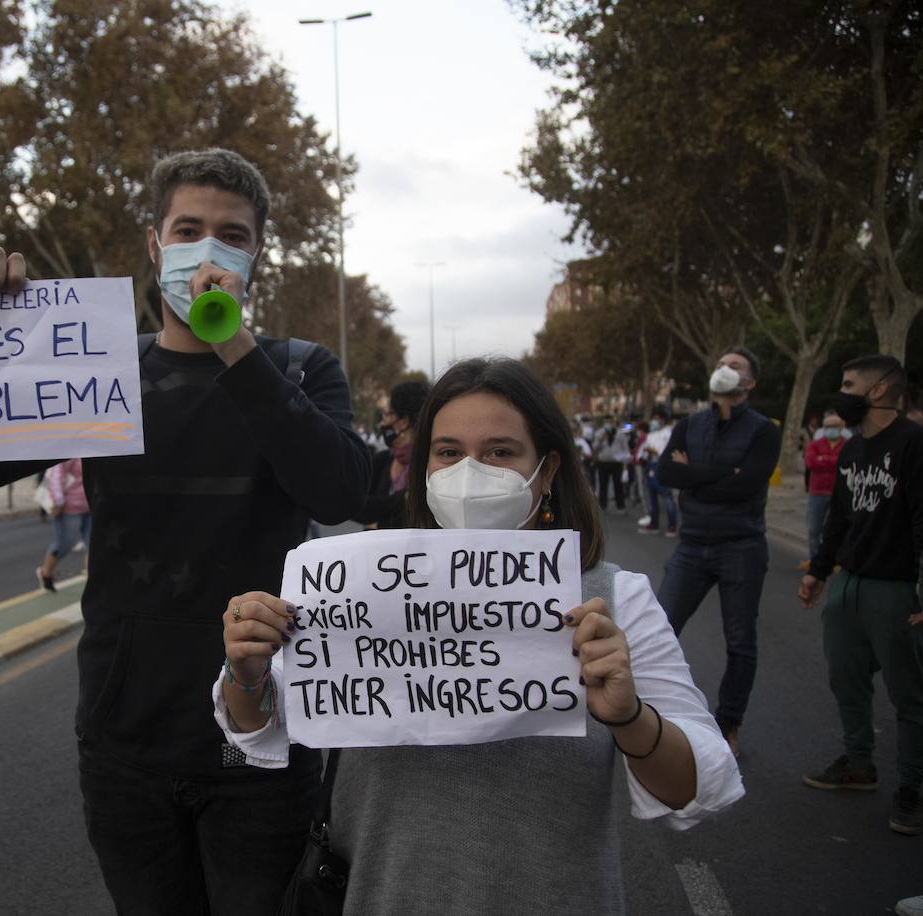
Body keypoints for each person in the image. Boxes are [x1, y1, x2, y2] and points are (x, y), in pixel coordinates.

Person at [0, 148, 371, 914]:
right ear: (155, 246)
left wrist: (235, 349)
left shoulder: (298, 371)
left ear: (257, 255)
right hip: (126, 740)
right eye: (187, 229)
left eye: (231, 234)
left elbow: (341, 487)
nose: (206, 249)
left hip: (258, 738)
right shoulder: (98, 373)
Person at [215, 357, 744, 913]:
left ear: (546, 469)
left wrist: (629, 716)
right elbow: (256, 726)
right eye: (448, 452)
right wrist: (245, 670)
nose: (469, 472)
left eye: (499, 452)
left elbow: (699, 787)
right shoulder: (357, 584)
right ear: (425, 470)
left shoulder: (614, 600)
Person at [799, 355, 923, 837]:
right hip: (848, 585)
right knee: (845, 677)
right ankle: (858, 762)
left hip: (894, 590)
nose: (841, 393)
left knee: (909, 694)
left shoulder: (913, 445)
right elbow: (840, 521)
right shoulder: (850, 451)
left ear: (878, 392)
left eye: (849, 385)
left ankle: (912, 788)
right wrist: (820, 572)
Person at [653, 348, 779, 758]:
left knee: (740, 642)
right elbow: (664, 474)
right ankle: (652, 717)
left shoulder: (763, 431)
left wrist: (693, 477)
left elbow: (748, 486)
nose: (725, 370)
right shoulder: (691, 424)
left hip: (740, 547)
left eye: (736, 366)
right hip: (692, 545)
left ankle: (728, 725)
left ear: (750, 383)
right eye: (721, 364)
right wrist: (725, 473)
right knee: (658, 631)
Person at [355, 380, 429, 530]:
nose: (383, 423)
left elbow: (418, 514)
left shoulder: (430, 465)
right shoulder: (382, 460)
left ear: (404, 420)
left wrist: (380, 524)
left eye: (388, 414)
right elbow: (356, 506)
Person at [36, 458, 90, 592]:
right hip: (69, 508)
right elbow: (56, 476)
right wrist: (58, 502)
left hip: (92, 506)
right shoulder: (71, 450)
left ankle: (91, 583)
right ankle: (45, 572)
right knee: (64, 544)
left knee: (93, 546)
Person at [803, 413, 847, 563]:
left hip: (839, 494)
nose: (831, 430)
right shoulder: (815, 445)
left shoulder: (847, 445)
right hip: (817, 493)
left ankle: (834, 559)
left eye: (835, 427)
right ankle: (814, 559)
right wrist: (833, 461)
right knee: (814, 529)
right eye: (828, 427)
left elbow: (846, 463)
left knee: (837, 530)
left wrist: (823, 459)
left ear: (841, 428)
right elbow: (811, 463)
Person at [638, 409, 677, 537]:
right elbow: (644, 451)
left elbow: (668, 451)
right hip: (651, 466)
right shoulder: (650, 435)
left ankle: (672, 525)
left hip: (663, 466)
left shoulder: (668, 433)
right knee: (652, 496)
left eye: (657, 418)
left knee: (667, 496)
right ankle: (654, 524)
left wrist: (655, 452)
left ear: (662, 419)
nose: (654, 422)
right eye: (653, 419)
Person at [593, 416, 630, 511]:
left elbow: (625, 449)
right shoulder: (599, 433)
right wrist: (601, 439)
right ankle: (603, 504)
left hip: (616, 462)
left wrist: (625, 463)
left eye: (610, 422)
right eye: (606, 422)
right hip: (603, 462)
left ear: (613, 423)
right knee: (603, 484)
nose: (608, 424)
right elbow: (594, 447)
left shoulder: (620, 433)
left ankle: (620, 505)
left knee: (618, 484)